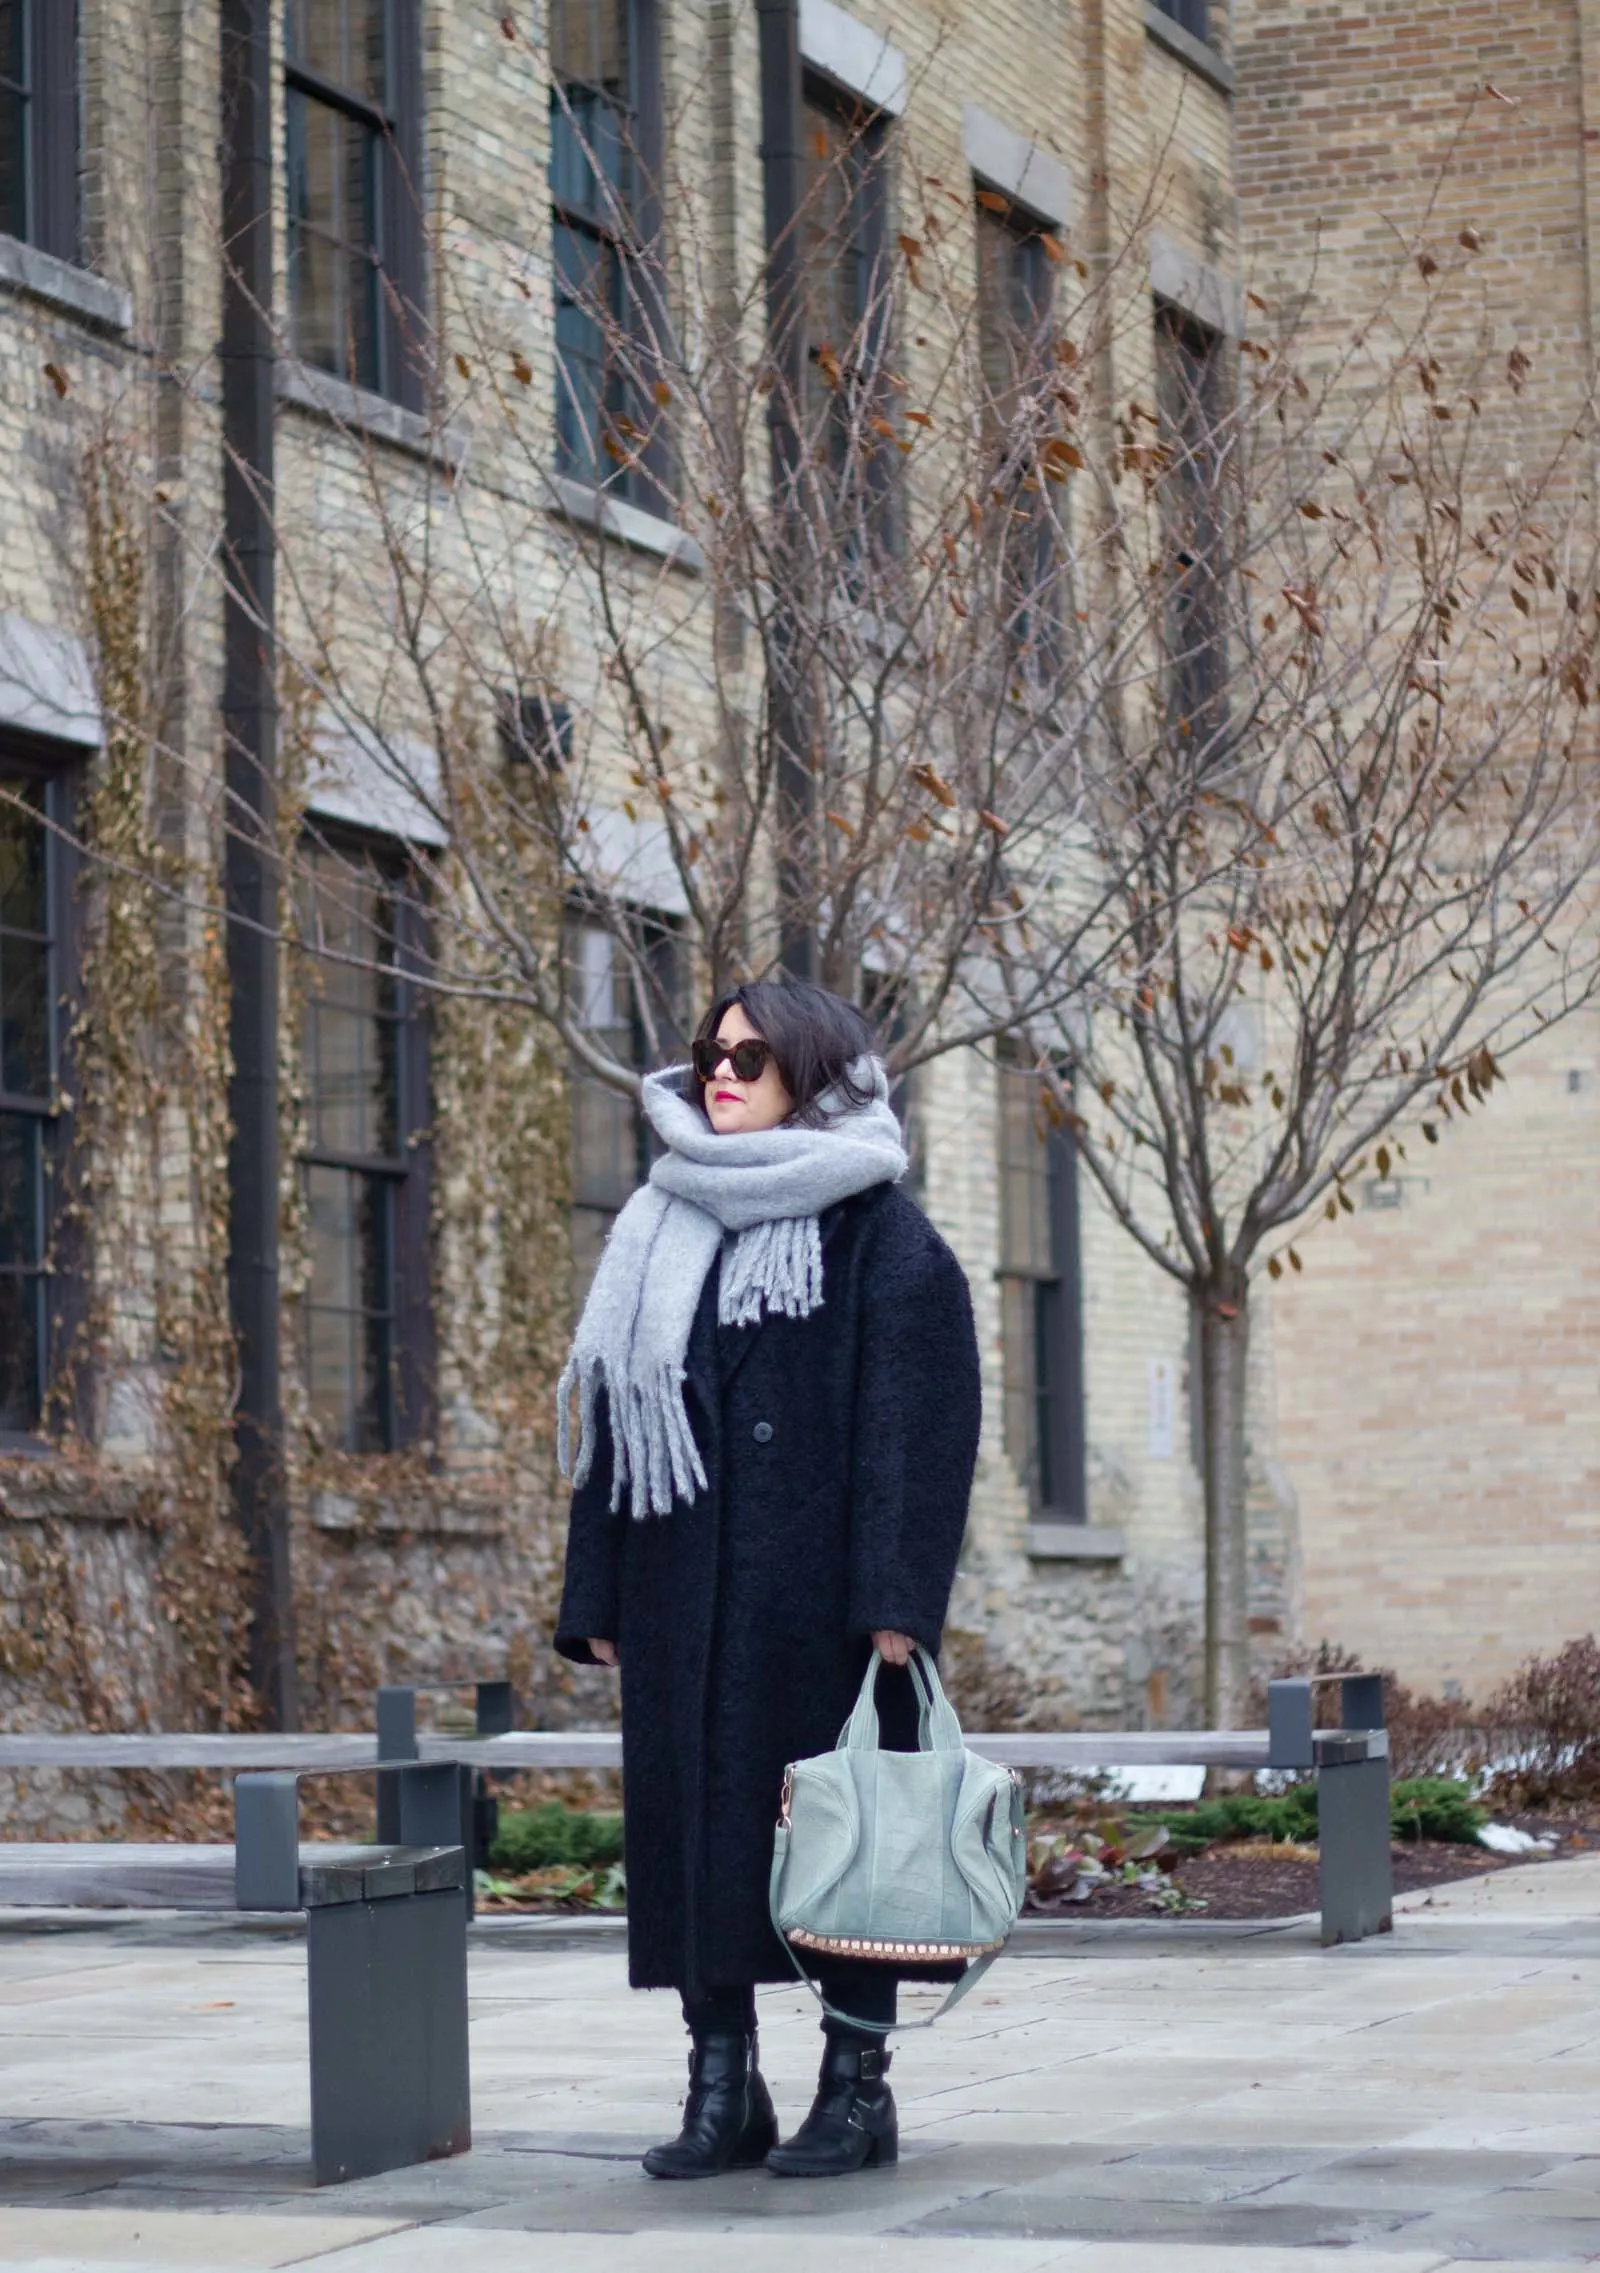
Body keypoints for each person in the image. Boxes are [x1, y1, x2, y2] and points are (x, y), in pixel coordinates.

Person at [554, 978, 982, 2180]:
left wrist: (896, 1600)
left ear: (816, 1069)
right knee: (699, 1845)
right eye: (708, 1053)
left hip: (827, 1616)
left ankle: (855, 2091)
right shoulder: (659, 1223)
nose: (719, 1073)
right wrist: (597, 1599)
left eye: (749, 1054)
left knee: (844, 1848)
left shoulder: (887, 1238)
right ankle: (720, 2088)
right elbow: (614, 1415)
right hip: (682, 1596)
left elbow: (922, 1429)